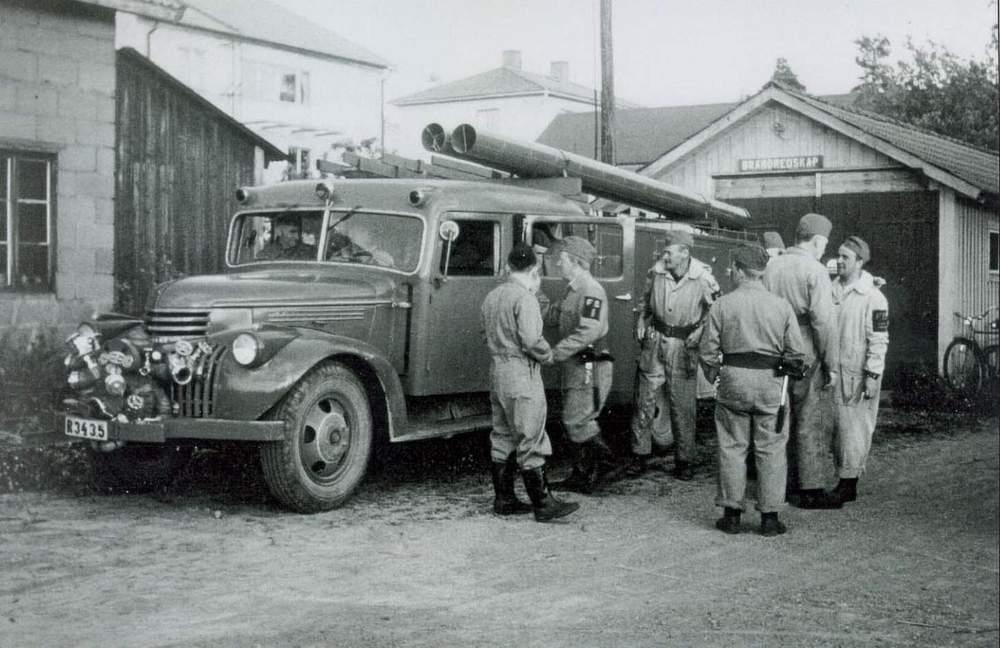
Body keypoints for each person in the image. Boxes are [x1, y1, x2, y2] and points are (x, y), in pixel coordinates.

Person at [699, 244, 807, 536]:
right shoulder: (781, 306)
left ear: (738, 269)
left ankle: (731, 514)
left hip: (733, 379)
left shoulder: (722, 305)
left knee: (732, 446)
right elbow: (796, 353)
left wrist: (715, 377)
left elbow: (708, 352)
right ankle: (769, 518)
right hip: (771, 382)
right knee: (771, 448)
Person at [480, 243, 579, 522]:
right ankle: (543, 503)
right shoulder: (525, 299)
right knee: (530, 433)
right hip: (522, 373)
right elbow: (532, 340)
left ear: (509, 267)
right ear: (534, 269)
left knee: (502, 435)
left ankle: (504, 499)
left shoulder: (493, 296)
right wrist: (548, 356)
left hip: (497, 371)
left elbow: (483, 334)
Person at [627, 230, 720, 481]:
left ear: (684, 253)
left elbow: (715, 312)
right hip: (655, 341)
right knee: (644, 400)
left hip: (683, 346)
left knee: (683, 405)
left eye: (669, 251)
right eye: (664, 250)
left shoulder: (702, 278)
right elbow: (645, 300)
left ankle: (684, 460)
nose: (664, 255)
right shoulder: (656, 272)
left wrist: (700, 332)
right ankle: (639, 454)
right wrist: (641, 320)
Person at [763, 213, 841, 509]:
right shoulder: (815, 270)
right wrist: (831, 363)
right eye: (825, 243)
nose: (825, 249)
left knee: (777, 418)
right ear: (818, 241)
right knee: (811, 417)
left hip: (773, 347)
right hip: (806, 345)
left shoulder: (771, 266)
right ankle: (811, 488)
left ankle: (778, 484)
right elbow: (823, 323)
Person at [541, 236, 616, 494]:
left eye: (561, 258)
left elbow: (589, 331)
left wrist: (556, 353)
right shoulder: (572, 289)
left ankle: (607, 465)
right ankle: (582, 475)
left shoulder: (590, 290)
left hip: (589, 364)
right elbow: (552, 315)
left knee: (577, 419)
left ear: (575, 261)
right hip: (577, 363)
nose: (557, 262)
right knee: (574, 418)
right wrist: (534, 293)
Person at [828, 236, 889, 505]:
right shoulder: (830, 289)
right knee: (836, 429)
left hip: (857, 371)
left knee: (854, 429)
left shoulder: (874, 297)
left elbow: (879, 339)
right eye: (838, 256)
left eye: (846, 257)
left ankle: (849, 483)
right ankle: (841, 477)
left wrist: (873, 375)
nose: (840, 261)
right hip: (832, 369)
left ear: (860, 262)